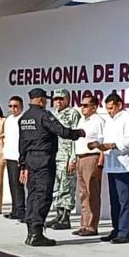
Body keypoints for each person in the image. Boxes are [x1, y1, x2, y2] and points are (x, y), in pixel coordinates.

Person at [19, 88, 85, 246]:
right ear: (41, 100)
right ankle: (37, 234)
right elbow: (61, 131)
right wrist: (79, 133)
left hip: (30, 160)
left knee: (33, 195)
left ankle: (31, 233)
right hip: (44, 160)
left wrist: (23, 164)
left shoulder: (24, 118)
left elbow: (22, 143)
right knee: (43, 195)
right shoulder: (44, 115)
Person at [90, 93, 129, 244]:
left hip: (124, 164)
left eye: (112, 108)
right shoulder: (110, 121)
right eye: (108, 109)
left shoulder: (127, 118)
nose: (110, 111)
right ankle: (116, 229)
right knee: (114, 200)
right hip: (112, 164)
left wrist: (113, 145)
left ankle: (124, 233)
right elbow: (104, 139)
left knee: (124, 200)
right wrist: (97, 144)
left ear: (119, 105)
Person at [46, 88, 81, 230]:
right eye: (56, 99)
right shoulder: (52, 114)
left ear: (67, 99)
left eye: (61, 99)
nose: (58, 102)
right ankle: (58, 215)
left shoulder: (73, 114)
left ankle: (65, 218)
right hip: (54, 156)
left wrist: (73, 159)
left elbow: (75, 138)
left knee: (67, 187)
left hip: (67, 156)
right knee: (56, 188)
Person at [73, 93, 105, 236]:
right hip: (80, 157)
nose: (83, 108)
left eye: (86, 105)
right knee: (83, 194)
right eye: (82, 105)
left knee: (92, 192)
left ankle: (92, 226)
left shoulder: (99, 121)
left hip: (92, 157)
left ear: (94, 107)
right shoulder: (81, 121)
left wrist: (101, 158)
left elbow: (104, 141)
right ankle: (84, 225)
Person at [3, 96, 26, 221]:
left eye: (15, 106)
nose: (13, 108)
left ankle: (21, 209)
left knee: (18, 184)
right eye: (10, 106)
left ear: (21, 106)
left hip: (18, 156)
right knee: (11, 183)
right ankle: (15, 209)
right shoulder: (8, 120)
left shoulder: (23, 119)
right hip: (9, 155)